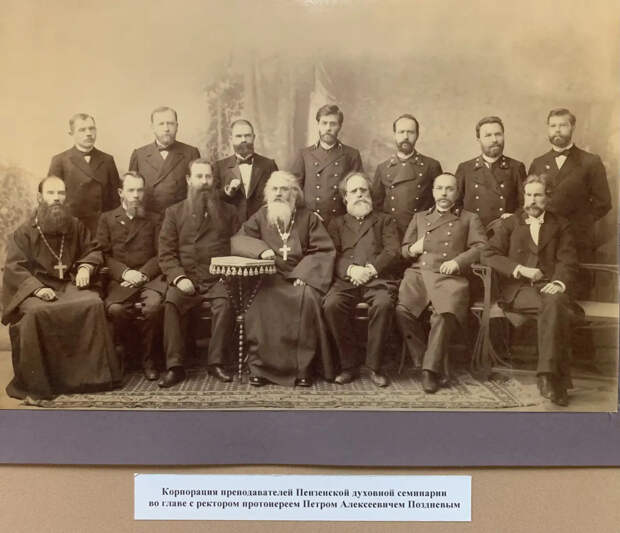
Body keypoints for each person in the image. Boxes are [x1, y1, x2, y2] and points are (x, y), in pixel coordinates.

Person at [1, 176, 121, 400]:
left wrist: (85, 267)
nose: (56, 198)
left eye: (60, 193)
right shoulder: (24, 232)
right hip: (36, 288)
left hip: (69, 282)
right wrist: (37, 289)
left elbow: (93, 250)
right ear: (40, 197)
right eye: (51, 193)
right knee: (36, 312)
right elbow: (14, 267)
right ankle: (47, 381)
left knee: (92, 303)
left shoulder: (75, 225)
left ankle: (91, 379)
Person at [482, 175, 583, 406]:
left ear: (548, 197)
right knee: (558, 310)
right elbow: (488, 254)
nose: (532, 201)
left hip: (549, 285)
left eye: (537, 195)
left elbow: (568, 261)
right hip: (519, 289)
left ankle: (547, 377)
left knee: (554, 302)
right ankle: (555, 381)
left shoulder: (561, 224)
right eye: (528, 195)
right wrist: (520, 269)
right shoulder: (510, 223)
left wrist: (558, 282)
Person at [231, 171, 336, 387]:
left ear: (294, 194)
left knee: (308, 299)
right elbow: (239, 240)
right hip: (269, 277)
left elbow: (323, 250)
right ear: (268, 193)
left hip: (300, 277)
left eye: (284, 189)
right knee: (258, 301)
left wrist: (304, 274)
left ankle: (303, 369)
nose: (279, 193)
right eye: (275, 189)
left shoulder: (308, 218)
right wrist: (261, 251)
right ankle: (260, 368)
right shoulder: (261, 216)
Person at [395, 173, 487, 393]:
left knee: (444, 315)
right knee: (402, 311)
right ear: (433, 191)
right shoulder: (420, 217)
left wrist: (458, 262)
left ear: (457, 192)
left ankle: (429, 371)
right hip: (419, 274)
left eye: (449, 189)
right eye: (439, 188)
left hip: (450, 276)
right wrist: (412, 249)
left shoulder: (468, 218)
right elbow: (404, 250)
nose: (444, 193)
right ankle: (426, 361)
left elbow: (482, 246)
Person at [158, 158, 239, 387]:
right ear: (188, 180)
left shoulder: (229, 211)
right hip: (187, 277)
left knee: (225, 303)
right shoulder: (174, 212)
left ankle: (216, 363)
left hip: (218, 277)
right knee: (171, 303)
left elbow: (238, 247)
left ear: (214, 180)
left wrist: (227, 275)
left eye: (208, 177)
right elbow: (166, 253)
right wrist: (179, 277)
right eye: (199, 176)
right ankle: (175, 367)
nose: (204, 182)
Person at [323, 172, 400, 387]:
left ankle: (375, 366)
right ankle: (349, 365)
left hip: (377, 279)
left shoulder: (384, 220)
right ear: (345, 197)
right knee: (331, 305)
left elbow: (392, 251)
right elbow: (330, 254)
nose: (359, 194)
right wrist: (350, 270)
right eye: (354, 191)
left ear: (370, 194)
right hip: (346, 280)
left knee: (384, 304)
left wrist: (370, 270)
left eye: (363, 190)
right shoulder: (336, 223)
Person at [96, 171, 166, 381]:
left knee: (153, 308)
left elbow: (162, 254)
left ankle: (148, 359)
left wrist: (143, 274)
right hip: (121, 280)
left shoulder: (155, 219)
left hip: (149, 279)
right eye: (131, 190)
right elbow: (103, 254)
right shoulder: (107, 219)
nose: (136, 195)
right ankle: (127, 354)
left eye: (140, 190)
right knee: (116, 310)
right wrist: (125, 273)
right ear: (121, 192)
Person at [528, 108, 611, 264]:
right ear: (548, 128)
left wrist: (581, 223)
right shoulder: (538, 163)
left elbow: (604, 202)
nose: (557, 130)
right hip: (544, 238)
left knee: (577, 278)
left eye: (563, 125)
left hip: (578, 239)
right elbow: (528, 200)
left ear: (572, 127)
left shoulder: (590, 161)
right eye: (553, 126)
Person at [48, 113, 121, 235]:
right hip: (72, 228)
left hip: (101, 229)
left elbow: (115, 200)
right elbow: (52, 199)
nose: (88, 133)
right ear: (71, 133)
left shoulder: (107, 160)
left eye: (92, 128)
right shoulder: (60, 160)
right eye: (82, 130)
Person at [291, 104, 363, 225]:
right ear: (318, 125)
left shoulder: (351, 155)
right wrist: (306, 215)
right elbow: (294, 190)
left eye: (333, 124)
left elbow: (359, 191)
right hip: (311, 221)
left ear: (340, 126)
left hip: (341, 222)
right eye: (324, 123)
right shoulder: (304, 154)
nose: (328, 128)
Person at [373, 114, 442, 238]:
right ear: (394, 135)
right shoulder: (382, 168)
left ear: (417, 135)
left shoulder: (431, 166)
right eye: (401, 132)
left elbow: (440, 204)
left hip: (420, 232)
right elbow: (376, 207)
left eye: (410, 132)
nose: (405, 137)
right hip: (391, 233)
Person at [455, 116, 526, 231]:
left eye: (498, 134)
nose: (494, 140)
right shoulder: (465, 169)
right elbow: (455, 205)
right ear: (479, 139)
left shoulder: (516, 167)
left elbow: (525, 204)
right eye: (488, 135)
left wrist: (514, 217)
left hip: (505, 232)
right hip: (473, 233)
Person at [129, 106, 201, 214]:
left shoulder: (191, 153)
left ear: (177, 126)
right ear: (152, 127)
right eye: (161, 124)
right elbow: (130, 193)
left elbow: (198, 192)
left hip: (180, 217)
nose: (166, 128)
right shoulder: (139, 155)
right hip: (148, 219)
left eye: (170, 123)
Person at [214, 119, 278, 223]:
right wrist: (227, 192)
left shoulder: (269, 165)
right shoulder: (219, 167)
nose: (243, 140)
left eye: (247, 136)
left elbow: (277, 197)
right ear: (231, 139)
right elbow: (212, 198)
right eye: (238, 136)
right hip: (230, 225)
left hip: (261, 225)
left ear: (254, 137)